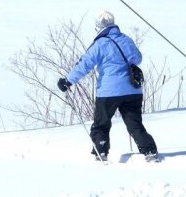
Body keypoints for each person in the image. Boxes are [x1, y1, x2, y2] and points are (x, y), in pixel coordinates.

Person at [57, 11, 159, 162]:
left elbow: (84, 65)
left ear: (98, 27)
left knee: (101, 124)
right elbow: (138, 59)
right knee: (134, 124)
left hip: (108, 92)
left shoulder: (99, 44)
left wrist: (68, 81)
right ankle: (149, 150)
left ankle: (101, 152)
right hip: (132, 90)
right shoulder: (126, 39)